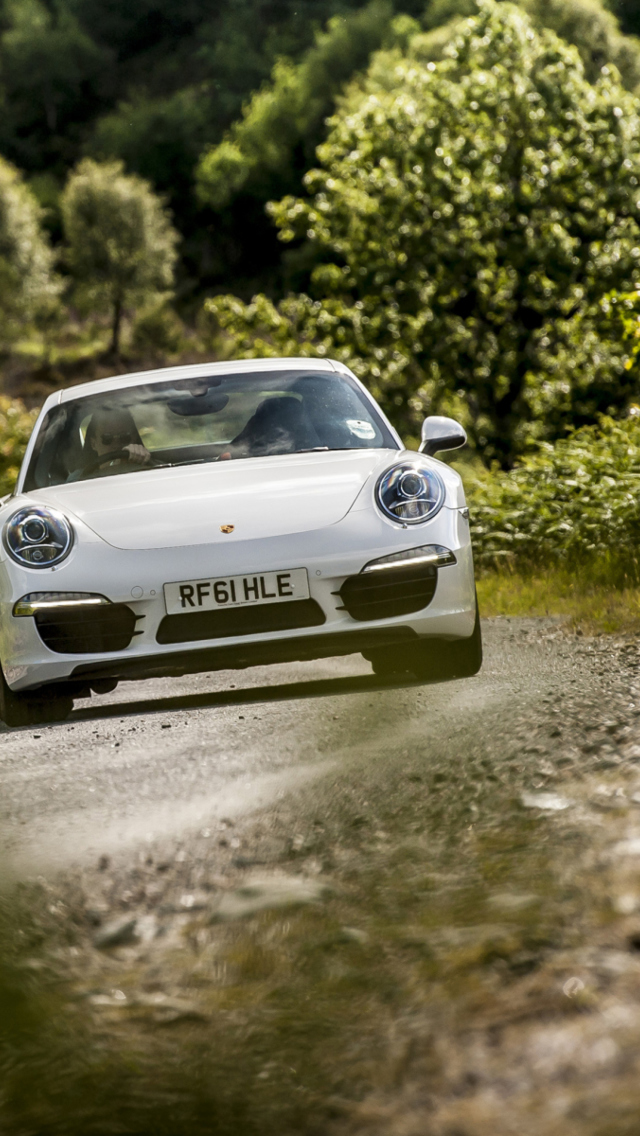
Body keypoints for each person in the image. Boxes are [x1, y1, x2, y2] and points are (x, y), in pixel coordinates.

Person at [70, 407, 152, 480]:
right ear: (93, 444)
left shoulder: (152, 469)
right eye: (107, 438)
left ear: (133, 439)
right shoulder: (77, 479)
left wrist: (144, 463)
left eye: (124, 437)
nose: (116, 445)